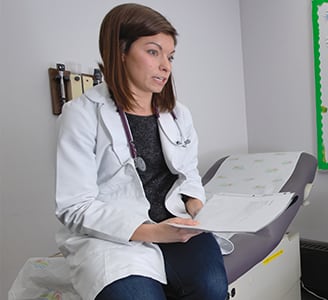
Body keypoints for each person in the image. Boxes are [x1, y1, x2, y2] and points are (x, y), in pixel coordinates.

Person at [53, 3, 226, 299]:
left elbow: (189, 174)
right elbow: (75, 207)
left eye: (170, 56)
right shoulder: (81, 114)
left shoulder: (178, 114)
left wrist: (197, 205)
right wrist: (155, 232)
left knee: (210, 286)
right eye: (153, 52)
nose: (166, 66)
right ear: (120, 51)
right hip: (114, 237)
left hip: (177, 221)